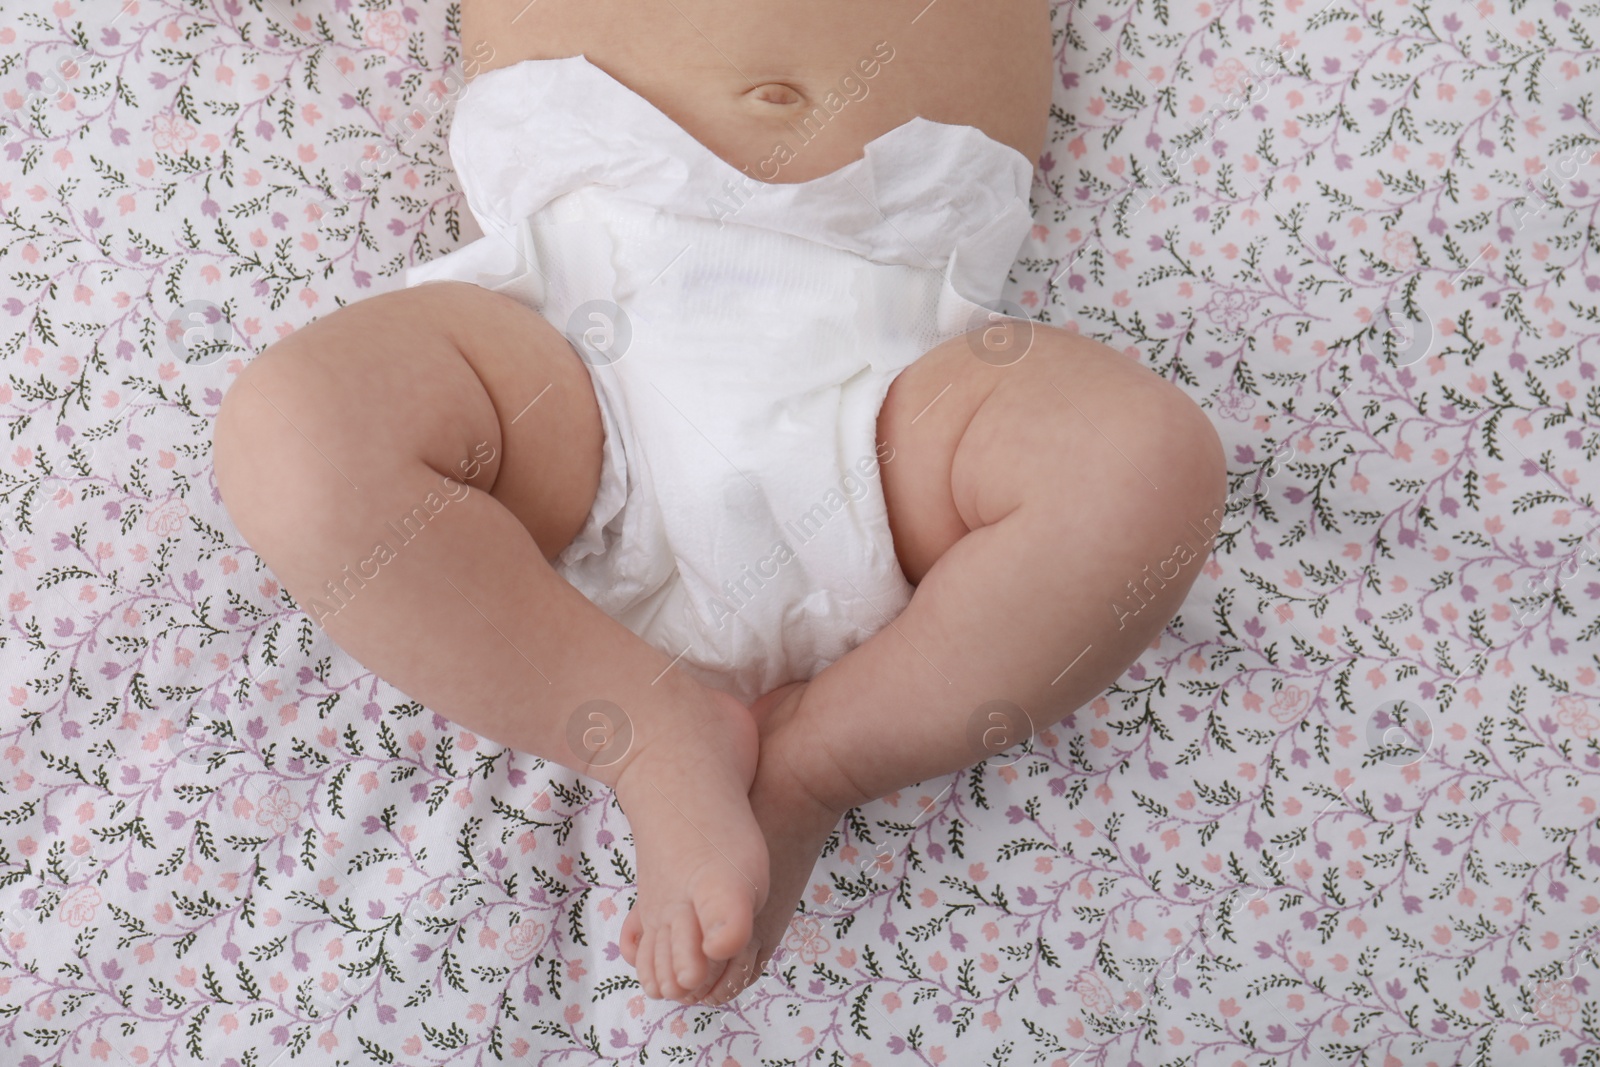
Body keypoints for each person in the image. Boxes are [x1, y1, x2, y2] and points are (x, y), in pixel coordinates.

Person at [211, 0, 1226, 1008]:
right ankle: (648, 728)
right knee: (295, 429)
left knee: (1143, 461)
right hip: (573, 343)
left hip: (895, 362)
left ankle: (815, 759)